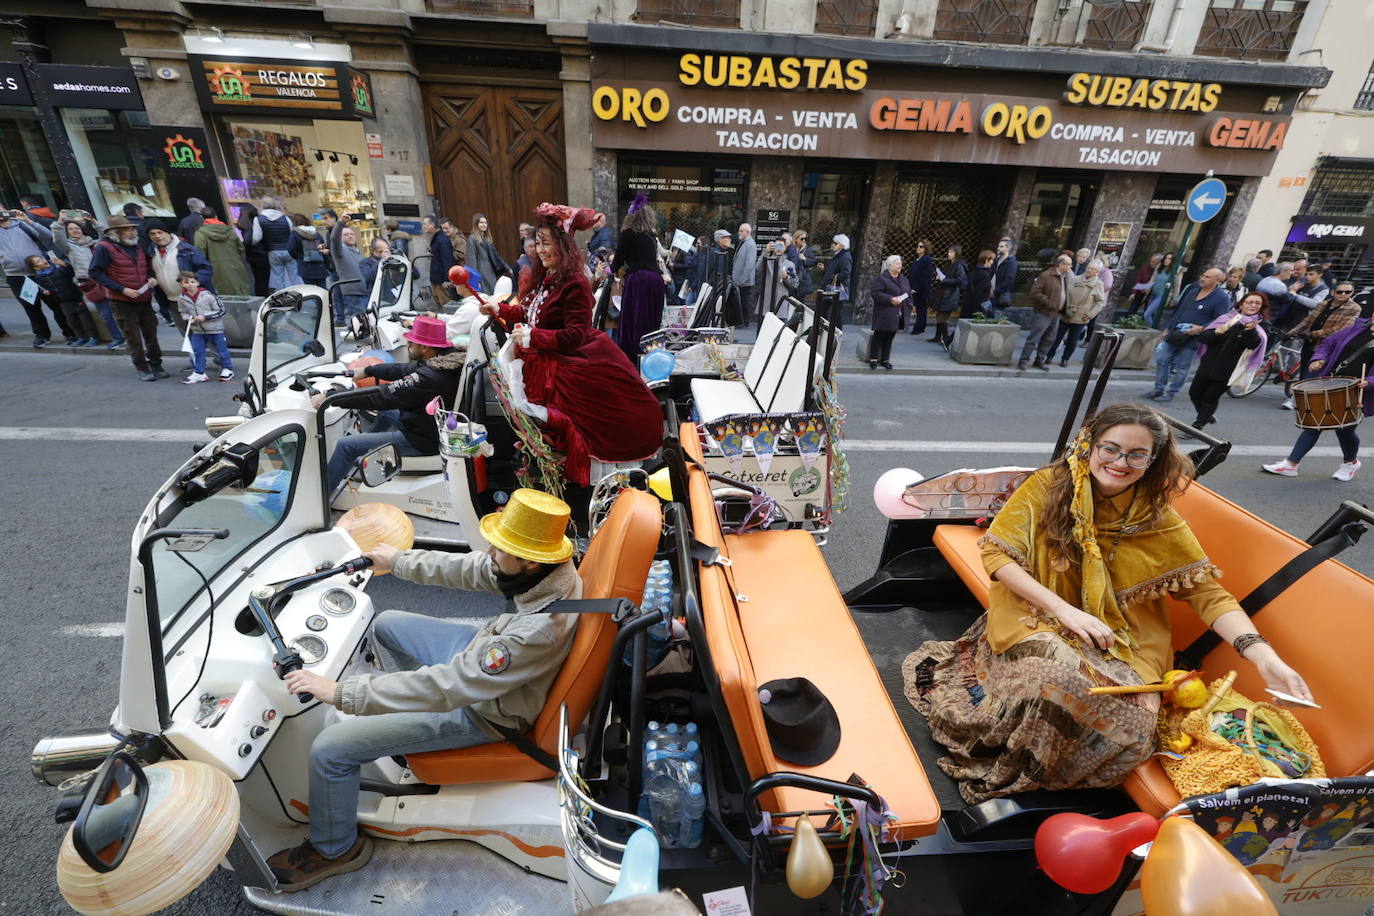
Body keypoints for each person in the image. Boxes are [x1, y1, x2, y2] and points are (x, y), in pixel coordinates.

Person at [903, 403, 1313, 804]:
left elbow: (1206, 593)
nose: (1120, 462)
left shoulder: (1157, 518)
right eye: (1111, 449)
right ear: (1090, 445)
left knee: (1136, 718)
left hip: (1124, 637)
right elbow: (997, 555)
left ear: (1152, 461)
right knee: (1056, 672)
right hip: (1040, 611)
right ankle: (1014, 771)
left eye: (1137, 454)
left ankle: (1053, 775)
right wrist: (1065, 611)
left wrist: (1262, 657)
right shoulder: (1048, 486)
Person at [268, 488, 582, 891]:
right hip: (483, 662)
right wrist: (397, 561)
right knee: (387, 624)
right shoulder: (547, 570)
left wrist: (342, 692)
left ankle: (334, 849)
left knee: (330, 751)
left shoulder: (533, 632)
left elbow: (450, 686)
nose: (489, 550)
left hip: (484, 711)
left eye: (500, 547)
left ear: (528, 560)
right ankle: (409, 731)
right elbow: (475, 570)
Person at [479, 203, 663, 496]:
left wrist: (534, 338)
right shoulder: (546, 278)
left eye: (546, 243)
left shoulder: (575, 281)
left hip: (570, 359)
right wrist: (498, 309)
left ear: (563, 245)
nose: (540, 250)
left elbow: (574, 335)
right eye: (537, 243)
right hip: (544, 356)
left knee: (587, 425)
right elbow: (530, 312)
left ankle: (577, 491)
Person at [317, 315, 465, 498]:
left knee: (345, 446)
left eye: (412, 343)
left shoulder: (429, 377)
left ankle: (320, 501)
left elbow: (382, 396)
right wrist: (367, 370)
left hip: (422, 439)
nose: (409, 346)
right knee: (386, 413)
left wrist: (331, 398)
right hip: (430, 425)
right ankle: (363, 456)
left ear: (425, 348)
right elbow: (403, 370)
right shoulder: (446, 360)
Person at [1262, 295, 1374, 482]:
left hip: (1357, 390)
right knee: (1315, 424)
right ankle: (1291, 464)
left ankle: (1350, 462)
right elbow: (1328, 343)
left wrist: (1369, 382)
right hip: (1331, 383)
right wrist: (1318, 359)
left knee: (1345, 429)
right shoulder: (1357, 327)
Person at [89, 215, 167, 381]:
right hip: (122, 301)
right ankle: (142, 367)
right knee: (133, 336)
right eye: (127, 229)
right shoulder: (104, 247)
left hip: (143, 298)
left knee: (151, 333)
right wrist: (122, 289)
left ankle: (156, 363)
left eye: (132, 229)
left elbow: (146, 266)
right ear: (116, 232)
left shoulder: (138, 245)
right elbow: (95, 272)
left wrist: (150, 277)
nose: (132, 232)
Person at [1144, 268, 1233, 403]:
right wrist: (1167, 328)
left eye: (1207, 277)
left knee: (1182, 368)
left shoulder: (1221, 298)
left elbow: (1221, 320)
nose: (1202, 278)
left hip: (1193, 339)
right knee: (1162, 359)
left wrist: (1201, 328)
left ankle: (1171, 392)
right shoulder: (1192, 291)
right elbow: (1179, 311)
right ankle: (1158, 388)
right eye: (1202, 275)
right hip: (1176, 333)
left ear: (1218, 280)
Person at [1188, 292, 1266, 431]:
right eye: (1250, 302)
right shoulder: (1225, 319)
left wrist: (1250, 331)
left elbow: (1253, 345)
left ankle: (1198, 425)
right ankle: (1206, 415)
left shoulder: (1257, 327)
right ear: (1241, 304)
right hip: (1208, 363)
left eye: (1257, 303)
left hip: (1229, 369)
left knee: (1210, 398)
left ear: (1261, 307)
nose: (1253, 305)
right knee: (1194, 393)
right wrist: (1217, 332)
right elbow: (1204, 338)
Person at [0, 206, 71, 346]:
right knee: (31, 307)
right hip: (17, 275)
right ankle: (42, 335)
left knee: (55, 304)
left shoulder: (21, 223)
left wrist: (28, 220)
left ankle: (69, 332)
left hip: (41, 272)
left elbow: (48, 235)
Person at [610, 197, 666, 366]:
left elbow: (617, 262)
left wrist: (613, 268)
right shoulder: (651, 235)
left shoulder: (627, 235)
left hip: (639, 279)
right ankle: (651, 358)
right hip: (656, 280)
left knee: (634, 320)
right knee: (651, 321)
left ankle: (633, 361)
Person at [1287, 282, 1362, 404]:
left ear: (1352, 293)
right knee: (1304, 369)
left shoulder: (1354, 308)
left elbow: (1341, 329)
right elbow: (1308, 320)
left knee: (1313, 372)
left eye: (1347, 292)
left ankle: (1298, 399)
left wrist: (1316, 333)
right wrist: (1292, 332)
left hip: (1327, 346)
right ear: (1333, 292)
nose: (1343, 294)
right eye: (1340, 291)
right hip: (1309, 342)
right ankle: (1300, 395)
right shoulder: (1323, 304)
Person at [62, 218, 122, 349]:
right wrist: (59, 223)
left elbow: (108, 236)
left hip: (107, 279)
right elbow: (56, 239)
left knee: (122, 310)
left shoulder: (94, 243)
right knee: (105, 314)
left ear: (82, 229)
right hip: (91, 284)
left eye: (77, 228)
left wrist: (95, 222)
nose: (74, 231)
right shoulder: (69, 247)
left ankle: (131, 335)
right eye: (70, 229)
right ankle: (117, 337)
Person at [146, 220, 214, 333]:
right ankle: (193, 351)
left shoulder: (185, 249)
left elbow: (206, 268)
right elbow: (149, 271)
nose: (157, 236)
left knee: (205, 331)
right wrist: (150, 278)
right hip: (171, 301)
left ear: (167, 233)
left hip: (193, 299)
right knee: (186, 333)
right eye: (152, 234)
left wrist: (192, 283)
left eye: (159, 232)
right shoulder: (150, 252)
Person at [26, 254, 99, 346]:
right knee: (72, 321)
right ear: (36, 268)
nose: (42, 260)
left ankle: (93, 337)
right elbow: (43, 288)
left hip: (75, 298)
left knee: (85, 320)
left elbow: (70, 273)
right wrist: (45, 292)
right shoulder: (39, 277)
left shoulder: (57, 269)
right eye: (38, 261)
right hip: (62, 302)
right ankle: (82, 337)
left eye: (41, 258)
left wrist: (64, 265)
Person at [177, 270, 234, 384]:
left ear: (197, 283)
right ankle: (199, 372)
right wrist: (188, 318)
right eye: (186, 282)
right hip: (197, 330)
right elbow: (182, 312)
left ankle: (227, 369)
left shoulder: (208, 295)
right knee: (197, 351)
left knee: (221, 351)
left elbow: (221, 310)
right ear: (181, 284)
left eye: (193, 282)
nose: (190, 284)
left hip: (215, 329)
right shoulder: (182, 298)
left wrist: (205, 317)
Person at [1050, 259, 1106, 367]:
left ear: (1097, 272)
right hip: (1066, 313)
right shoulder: (1074, 279)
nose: (1089, 270)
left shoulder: (1098, 284)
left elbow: (1100, 302)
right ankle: (1049, 356)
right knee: (1057, 337)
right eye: (1088, 267)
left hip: (1081, 317)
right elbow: (1065, 293)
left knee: (1072, 340)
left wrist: (1090, 314)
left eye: (1092, 269)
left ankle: (1065, 359)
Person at [1019, 254, 1071, 371]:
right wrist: (1050, 303)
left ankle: (1039, 360)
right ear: (1061, 264)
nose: (1070, 267)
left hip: (1056, 314)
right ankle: (1023, 360)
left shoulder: (1065, 277)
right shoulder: (1046, 275)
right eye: (1068, 264)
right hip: (1043, 312)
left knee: (1049, 339)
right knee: (1034, 338)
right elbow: (1035, 293)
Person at [193, 207, 251, 297]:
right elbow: (240, 248)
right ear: (216, 216)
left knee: (227, 298)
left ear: (202, 218)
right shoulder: (229, 230)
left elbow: (200, 255)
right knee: (244, 295)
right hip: (236, 267)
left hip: (217, 271)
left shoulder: (200, 234)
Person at [869, 254, 908, 370]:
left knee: (890, 335)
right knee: (879, 334)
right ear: (890, 265)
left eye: (900, 263)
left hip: (898, 312)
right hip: (884, 311)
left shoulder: (903, 279)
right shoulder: (882, 279)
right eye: (897, 263)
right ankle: (873, 359)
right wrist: (890, 299)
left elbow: (907, 291)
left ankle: (886, 359)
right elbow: (876, 293)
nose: (900, 265)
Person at [252, 196, 299, 292]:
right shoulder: (285, 218)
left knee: (278, 277)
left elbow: (256, 238)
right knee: (294, 276)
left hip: (273, 251)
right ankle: (300, 294)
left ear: (263, 206)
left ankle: (282, 298)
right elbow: (292, 234)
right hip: (288, 250)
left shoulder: (259, 219)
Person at [329, 217, 367, 321]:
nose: (350, 236)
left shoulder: (357, 251)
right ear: (340, 238)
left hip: (365, 292)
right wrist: (341, 223)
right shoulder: (340, 251)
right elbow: (333, 239)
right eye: (345, 235)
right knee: (359, 326)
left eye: (352, 234)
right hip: (353, 295)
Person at [932, 244, 967, 347]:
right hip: (943, 293)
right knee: (939, 315)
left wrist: (944, 280)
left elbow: (959, 280)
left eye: (951, 252)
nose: (949, 254)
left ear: (956, 253)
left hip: (950, 295)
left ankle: (946, 338)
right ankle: (938, 337)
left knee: (942, 317)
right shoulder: (949, 264)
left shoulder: (959, 265)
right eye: (948, 252)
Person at [286, 213, 327, 291]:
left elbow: (290, 249)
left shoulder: (295, 234)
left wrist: (298, 257)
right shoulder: (316, 233)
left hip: (305, 265)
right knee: (323, 289)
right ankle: (326, 303)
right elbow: (323, 247)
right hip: (320, 265)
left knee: (310, 289)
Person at [237, 203, 269, 296]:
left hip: (251, 255)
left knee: (257, 279)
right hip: (260, 254)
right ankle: (264, 298)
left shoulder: (243, 223)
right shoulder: (253, 223)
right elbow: (248, 240)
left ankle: (261, 297)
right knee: (262, 280)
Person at [468, 213, 508, 288]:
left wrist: (507, 268)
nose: (484, 225)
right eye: (481, 222)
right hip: (481, 273)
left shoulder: (487, 239)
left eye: (485, 223)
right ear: (476, 224)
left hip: (491, 272)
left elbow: (496, 256)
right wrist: (475, 280)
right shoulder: (472, 239)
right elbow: (472, 262)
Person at [424, 215, 454, 306]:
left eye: (425, 224)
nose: (423, 226)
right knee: (440, 304)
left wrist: (447, 279)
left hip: (442, 280)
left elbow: (447, 260)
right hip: (436, 278)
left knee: (446, 306)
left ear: (432, 225)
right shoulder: (436, 238)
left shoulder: (442, 239)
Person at [906, 238, 934, 335]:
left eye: (921, 246)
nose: (918, 248)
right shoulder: (917, 260)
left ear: (926, 248)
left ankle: (919, 328)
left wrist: (916, 288)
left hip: (921, 290)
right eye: (918, 246)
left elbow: (924, 276)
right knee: (918, 308)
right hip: (914, 288)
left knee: (921, 309)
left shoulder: (927, 259)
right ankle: (917, 327)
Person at [1256, 262, 1298, 327]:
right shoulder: (1279, 285)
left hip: (1260, 312)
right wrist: (1292, 292)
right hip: (1270, 314)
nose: (1293, 273)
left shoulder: (1267, 279)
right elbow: (1286, 300)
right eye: (1291, 270)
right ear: (1282, 272)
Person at [732, 222, 758, 324]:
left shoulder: (751, 244)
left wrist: (743, 280)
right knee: (741, 301)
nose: (739, 233)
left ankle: (745, 321)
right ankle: (741, 320)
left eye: (741, 231)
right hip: (739, 279)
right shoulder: (743, 242)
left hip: (744, 281)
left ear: (747, 232)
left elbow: (750, 264)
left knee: (744, 301)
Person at [1143, 251, 1176, 328]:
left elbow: (1176, 286)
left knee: (1147, 314)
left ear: (1173, 261)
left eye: (1169, 259)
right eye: (1166, 258)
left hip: (1161, 297)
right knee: (1151, 314)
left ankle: (1152, 331)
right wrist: (1147, 287)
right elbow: (1152, 279)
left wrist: (1174, 299)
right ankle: (1151, 330)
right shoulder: (1159, 267)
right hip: (1153, 294)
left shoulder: (1175, 272)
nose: (1166, 260)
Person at [820, 233, 852, 306]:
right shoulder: (838, 254)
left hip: (837, 288)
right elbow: (834, 269)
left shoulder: (845, 257)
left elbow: (845, 274)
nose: (833, 245)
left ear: (842, 245)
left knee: (835, 312)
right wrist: (825, 270)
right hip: (832, 287)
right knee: (824, 310)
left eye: (835, 243)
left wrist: (832, 276)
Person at [359, 237, 390, 304]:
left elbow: (416, 275)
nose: (385, 254)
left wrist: (404, 258)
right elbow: (368, 277)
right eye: (381, 251)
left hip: (394, 298)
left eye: (387, 251)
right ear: (372, 250)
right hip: (377, 300)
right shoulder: (364, 263)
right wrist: (381, 261)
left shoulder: (391, 261)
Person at [966, 249, 994, 319]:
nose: (992, 262)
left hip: (968, 305)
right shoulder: (984, 275)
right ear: (986, 260)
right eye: (991, 260)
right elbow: (980, 293)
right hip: (977, 309)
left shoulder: (974, 271)